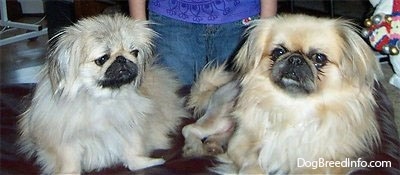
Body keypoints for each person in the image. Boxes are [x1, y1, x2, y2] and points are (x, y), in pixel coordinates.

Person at [129, 0, 277, 86]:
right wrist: (139, 28)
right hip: (171, 19)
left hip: (240, 18)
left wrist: (267, 26)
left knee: (233, 109)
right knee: (176, 103)